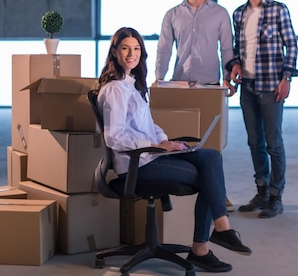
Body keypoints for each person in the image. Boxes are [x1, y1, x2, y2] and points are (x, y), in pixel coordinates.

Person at [97, 27, 251, 273]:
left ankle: (221, 230)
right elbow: (115, 136)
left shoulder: (132, 86)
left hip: (152, 155)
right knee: (207, 176)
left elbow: (149, 125)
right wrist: (155, 146)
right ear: (115, 52)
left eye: (136, 48)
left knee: (211, 155)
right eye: (125, 48)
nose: (131, 54)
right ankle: (207, 243)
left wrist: (167, 142)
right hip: (137, 165)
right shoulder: (115, 89)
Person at [226, 0, 298, 219]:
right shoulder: (238, 14)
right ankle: (261, 191)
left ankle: (276, 197)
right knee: (255, 142)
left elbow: (291, 44)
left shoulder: (278, 10)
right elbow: (236, 48)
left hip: (272, 87)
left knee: (274, 143)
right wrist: (232, 67)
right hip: (247, 87)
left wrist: (287, 78)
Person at [156, 0, 235, 96]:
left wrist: (227, 78)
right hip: (179, 84)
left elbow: (226, 49)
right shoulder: (172, 15)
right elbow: (164, 49)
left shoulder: (220, 13)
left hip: (210, 85)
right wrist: (159, 78)